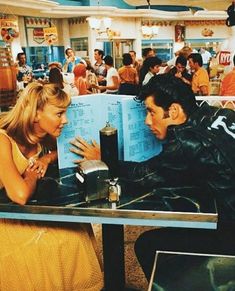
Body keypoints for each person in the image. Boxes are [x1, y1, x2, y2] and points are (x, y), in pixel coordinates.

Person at [69, 74, 235, 282]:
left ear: (173, 111)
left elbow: (142, 177)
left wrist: (103, 158)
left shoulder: (186, 142)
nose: (147, 121)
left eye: (150, 112)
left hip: (230, 235)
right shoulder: (220, 113)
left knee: (148, 245)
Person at [0, 82, 103, 290]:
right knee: (60, 241)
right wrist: (32, 173)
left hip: (28, 213)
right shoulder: (3, 140)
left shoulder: (43, 136)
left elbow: (60, 151)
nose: (65, 120)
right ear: (36, 113)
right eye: (59, 114)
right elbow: (19, 195)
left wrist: (47, 158)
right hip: (7, 220)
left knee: (77, 226)